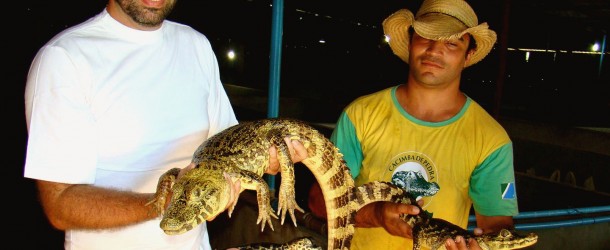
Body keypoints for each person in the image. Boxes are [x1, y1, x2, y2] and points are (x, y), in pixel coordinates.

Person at [23, 0, 306, 249]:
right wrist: (166, 203)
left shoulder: (195, 45)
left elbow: (227, 153)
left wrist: (266, 160)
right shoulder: (65, 58)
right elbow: (59, 205)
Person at [309, 0, 519, 249]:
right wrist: (375, 215)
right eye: (426, 37)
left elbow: (497, 224)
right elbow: (318, 202)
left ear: (468, 55)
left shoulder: (491, 138)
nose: (434, 50)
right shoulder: (360, 115)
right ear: (410, 42)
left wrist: (481, 246)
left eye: (452, 43)